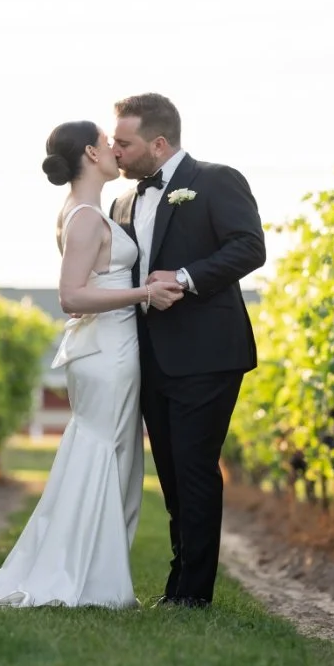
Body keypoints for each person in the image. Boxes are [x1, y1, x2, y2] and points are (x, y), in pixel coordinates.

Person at [0, 120, 182, 611]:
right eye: (108, 143)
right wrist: (145, 292)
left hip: (110, 345)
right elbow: (70, 295)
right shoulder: (84, 216)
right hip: (107, 351)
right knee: (104, 456)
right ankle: (88, 580)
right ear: (89, 152)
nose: (116, 151)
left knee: (113, 459)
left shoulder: (85, 212)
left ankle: (95, 573)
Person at [109, 93, 265, 607]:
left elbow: (249, 246)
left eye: (123, 142)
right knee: (172, 474)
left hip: (207, 353)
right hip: (149, 355)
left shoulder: (217, 180)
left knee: (195, 467)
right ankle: (178, 583)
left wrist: (184, 277)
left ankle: (193, 595)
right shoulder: (122, 203)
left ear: (157, 143)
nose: (115, 150)